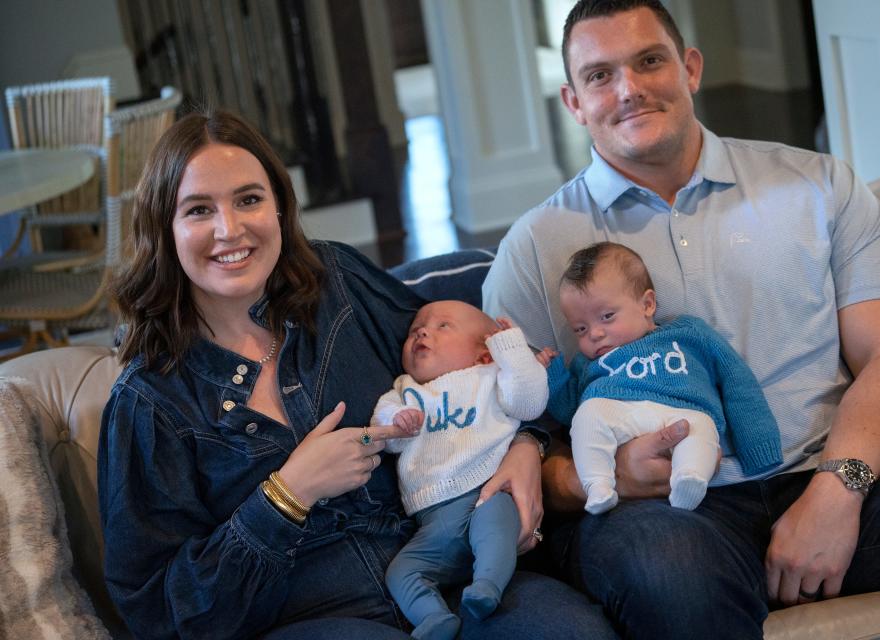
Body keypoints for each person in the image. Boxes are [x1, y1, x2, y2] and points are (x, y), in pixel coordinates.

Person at [482, 1, 880, 638]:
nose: (629, 89)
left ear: (690, 67)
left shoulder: (817, 184)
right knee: (668, 573)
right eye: (600, 75)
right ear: (573, 101)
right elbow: (507, 439)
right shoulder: (533, 247)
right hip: (665, 513)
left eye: (650, 60)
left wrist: (839, 488)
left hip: (833, 471)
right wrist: (602, 476)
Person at [98, 109, 617, 640]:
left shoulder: (338, 285)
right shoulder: (148, 401)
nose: (229, 229)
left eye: (249, 199)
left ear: (279, 207)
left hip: (448, 573)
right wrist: (287, 494)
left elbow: (467, 364)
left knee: (577, 631)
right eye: (198, 209)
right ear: (166, 229)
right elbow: (158, 612)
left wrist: (525, 445)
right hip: (312, 619)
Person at [540, 242, 781, 513]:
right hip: (620, 416)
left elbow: (738, 382)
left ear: (647, 304)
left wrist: (759, 447)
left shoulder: (688, 333)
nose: (595, 334)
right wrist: (553, 375)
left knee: (702, 427)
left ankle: (689, 478)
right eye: (580, 328)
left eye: (607, 316)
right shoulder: (588, 364)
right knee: (587, 415)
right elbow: (567, 411)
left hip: (684, 413)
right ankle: (597, 485)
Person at [372, 301, 548, 639]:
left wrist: (511, 352)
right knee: (401, 572)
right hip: (432, 521)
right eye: (415, 329)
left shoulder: (493, 377)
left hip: (487, 494)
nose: (422, 331)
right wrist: (395, 422)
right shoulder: (404, 390)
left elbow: (530, 403)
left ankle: (486, 587)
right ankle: (434, 617)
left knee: (495, 529)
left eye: (443, 326)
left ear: (484, 352)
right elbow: (383, 433)